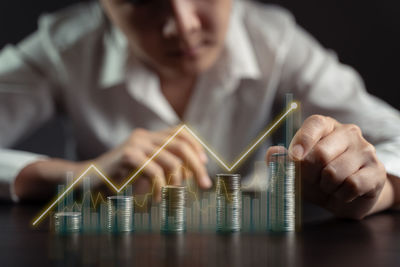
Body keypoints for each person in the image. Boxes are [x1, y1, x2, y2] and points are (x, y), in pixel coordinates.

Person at [0, 0, 399, 220]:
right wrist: (82, 177)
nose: (182, 24)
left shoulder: (273, 39)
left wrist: (372, 190)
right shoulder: (65, 45)